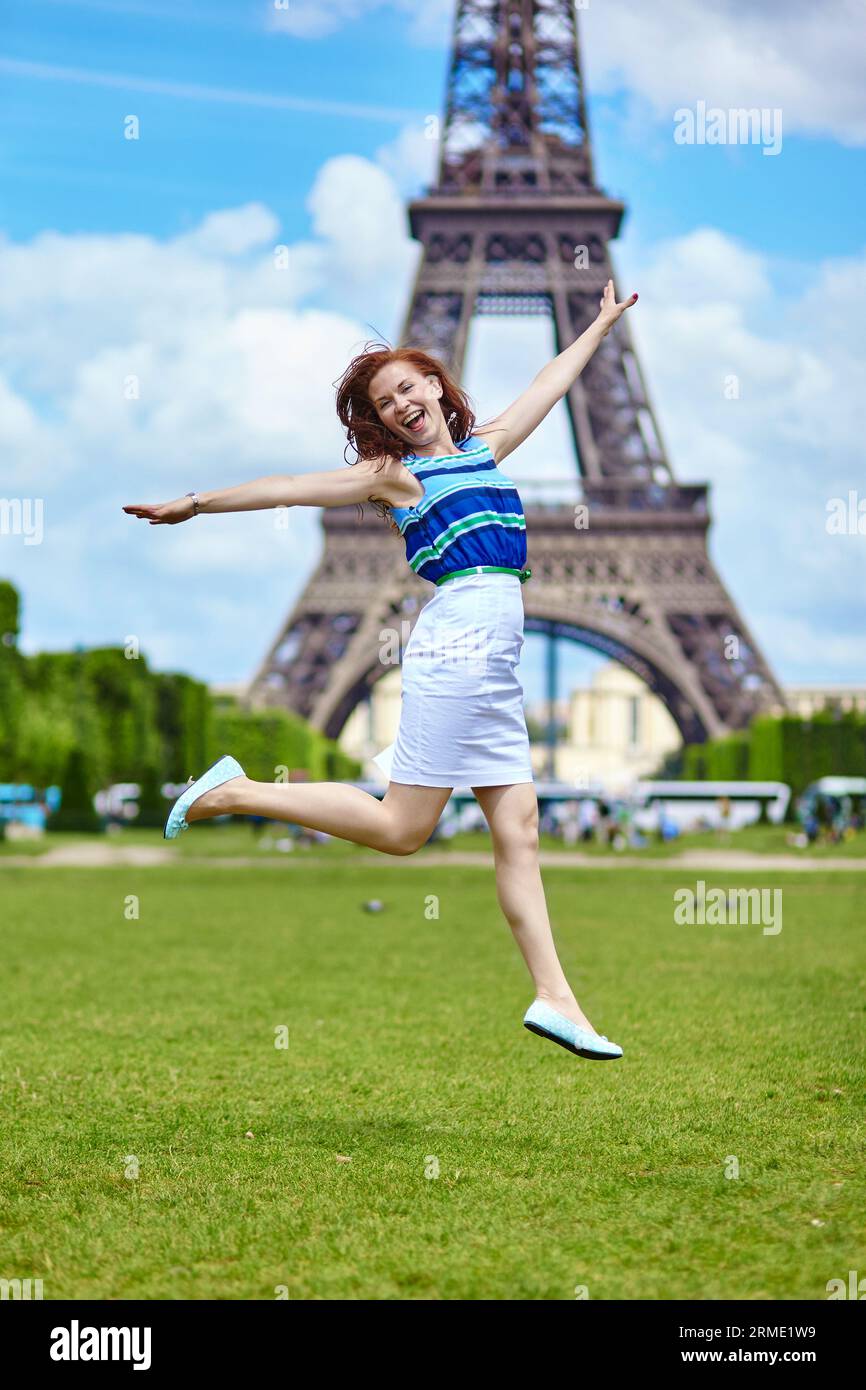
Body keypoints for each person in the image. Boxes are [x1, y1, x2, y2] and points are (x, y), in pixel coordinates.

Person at [123, 279, 638, 1062]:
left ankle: (555, 998)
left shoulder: (486, 448)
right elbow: (291, 488)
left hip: (499, 652)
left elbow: (550, 384)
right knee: (403, 827)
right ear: (381, 421)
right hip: (460, 636)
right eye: (384, 401)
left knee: (519, 830)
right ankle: (238, 791)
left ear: (436, 385)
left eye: (408, 386)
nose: (400, 404)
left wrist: (599, 324)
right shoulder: (394, 477)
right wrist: (196, 504)